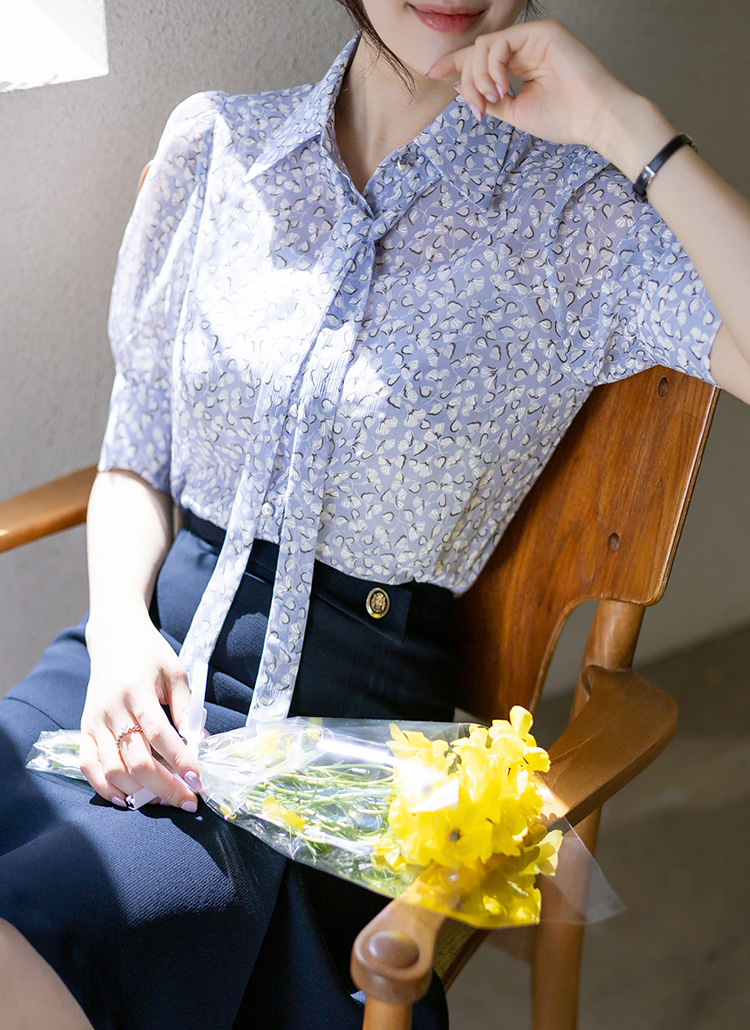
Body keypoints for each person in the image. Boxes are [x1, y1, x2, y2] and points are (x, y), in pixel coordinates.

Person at [1, 1, 749, 1027]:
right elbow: (137, 455)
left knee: (40, 933)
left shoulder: (579, 216)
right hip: (120, 676)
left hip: (326, 756)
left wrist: (622, 122)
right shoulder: (219, 145)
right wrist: (123, 632)